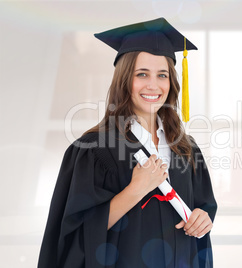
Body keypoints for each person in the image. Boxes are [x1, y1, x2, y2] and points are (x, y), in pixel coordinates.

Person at [38, 18, 217, 268]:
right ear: (124, 79)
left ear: (172, 82)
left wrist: (203, 218)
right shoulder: (94, 149)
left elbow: (203, 207)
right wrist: (136, 189)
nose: (153, 85)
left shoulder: (185, 148)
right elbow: (76, 233)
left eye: (162, 75)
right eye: (142, 74)